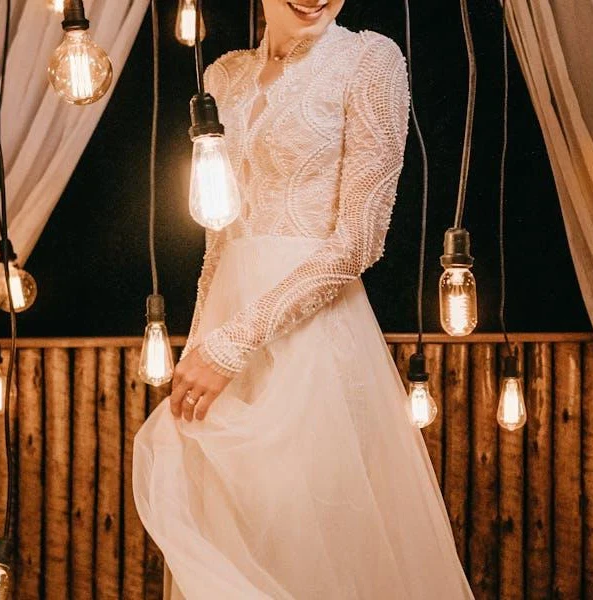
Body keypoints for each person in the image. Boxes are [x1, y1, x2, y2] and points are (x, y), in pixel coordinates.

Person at [134, 1, 474, 597]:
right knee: (232, 532)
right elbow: (220, 237)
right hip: (225, 336)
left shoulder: (369, 61)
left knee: (316, 544)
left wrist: (236, 342)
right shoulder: (223, 76)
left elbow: (359, 241)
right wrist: (202, 344)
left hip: (312, 337)